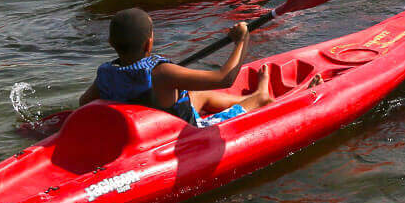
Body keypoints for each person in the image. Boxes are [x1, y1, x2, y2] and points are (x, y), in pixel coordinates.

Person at [79, 8, 273, 126]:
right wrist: (242, 40)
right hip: (180, 130)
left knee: (197, 95)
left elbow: (84, 102)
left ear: (111, 43)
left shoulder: (107, 73)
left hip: (149, 127)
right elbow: (225, 78)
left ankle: (248, 97)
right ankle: (258, 99)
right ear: (149, 44)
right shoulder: (162, 72)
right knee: (225, 114)